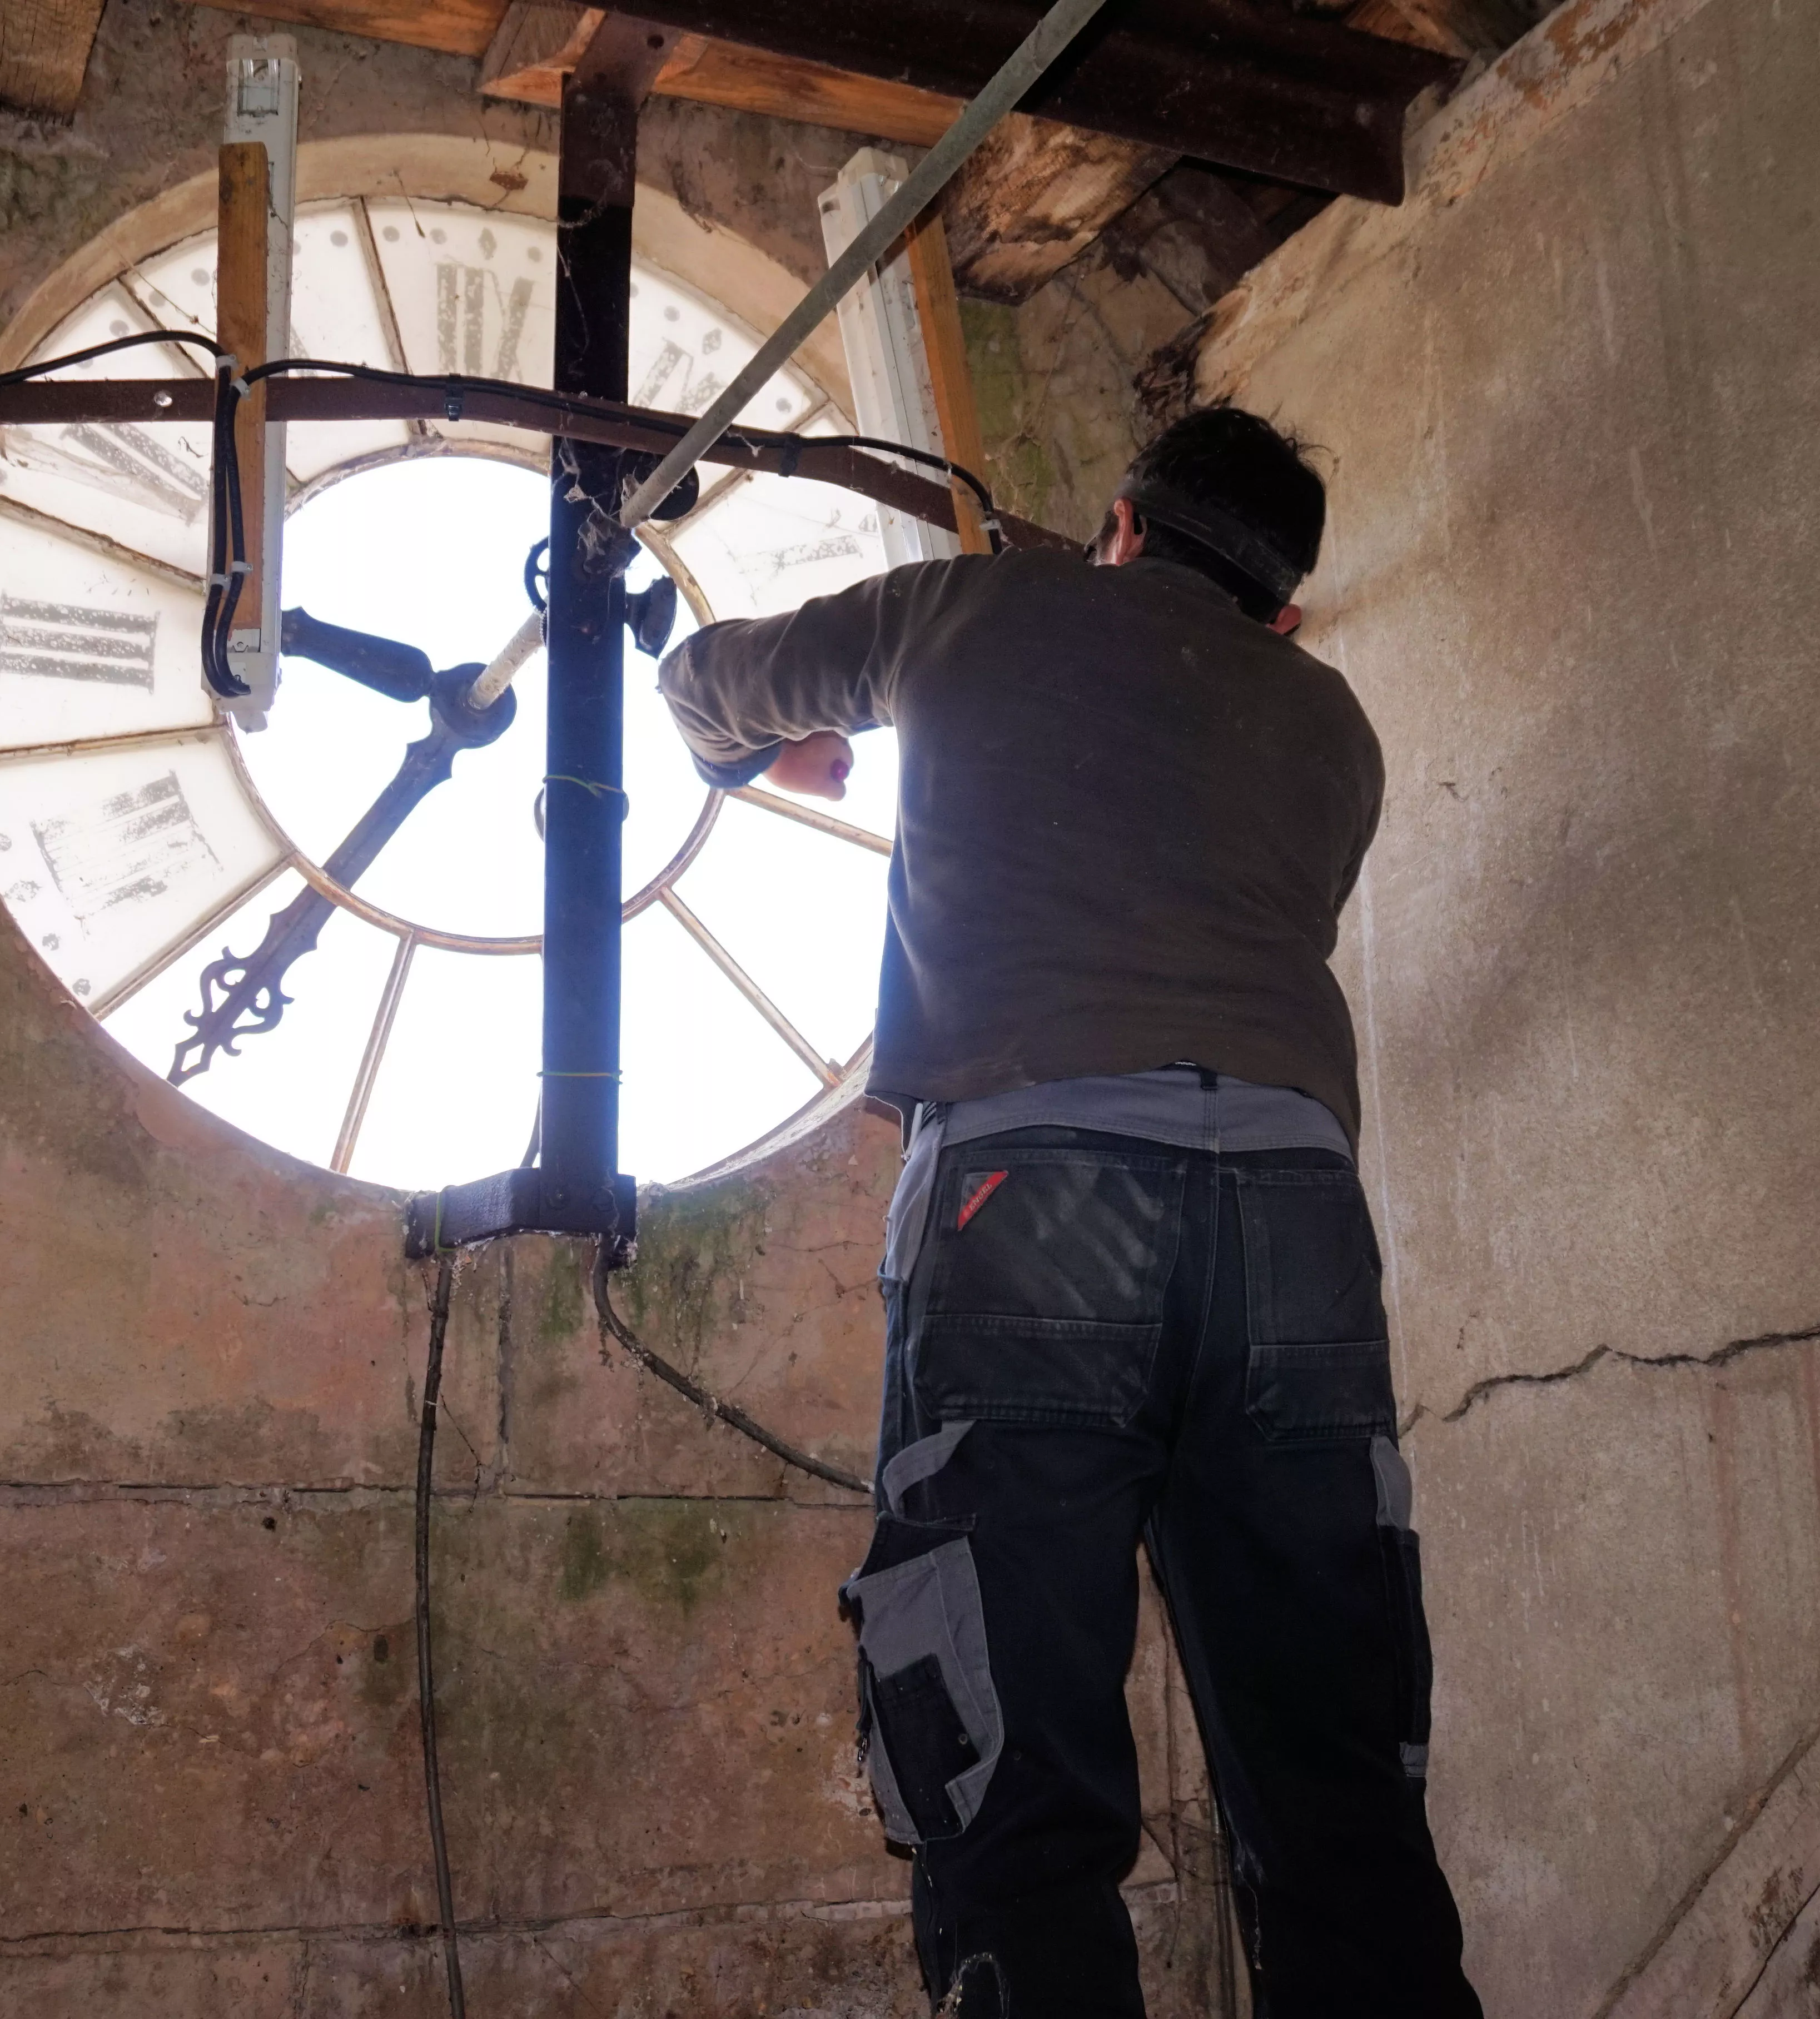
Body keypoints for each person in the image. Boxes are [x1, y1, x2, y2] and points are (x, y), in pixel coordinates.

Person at [657, 407, 1481, 2018]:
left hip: (1034, 1191)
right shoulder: (1335, 727)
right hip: (1294, 1221)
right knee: (1339, 1786)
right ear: (1285, 610)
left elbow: (701, 687)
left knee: (1010, 1774)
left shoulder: (970, 606)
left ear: (1116, 523)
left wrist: (773, 750)